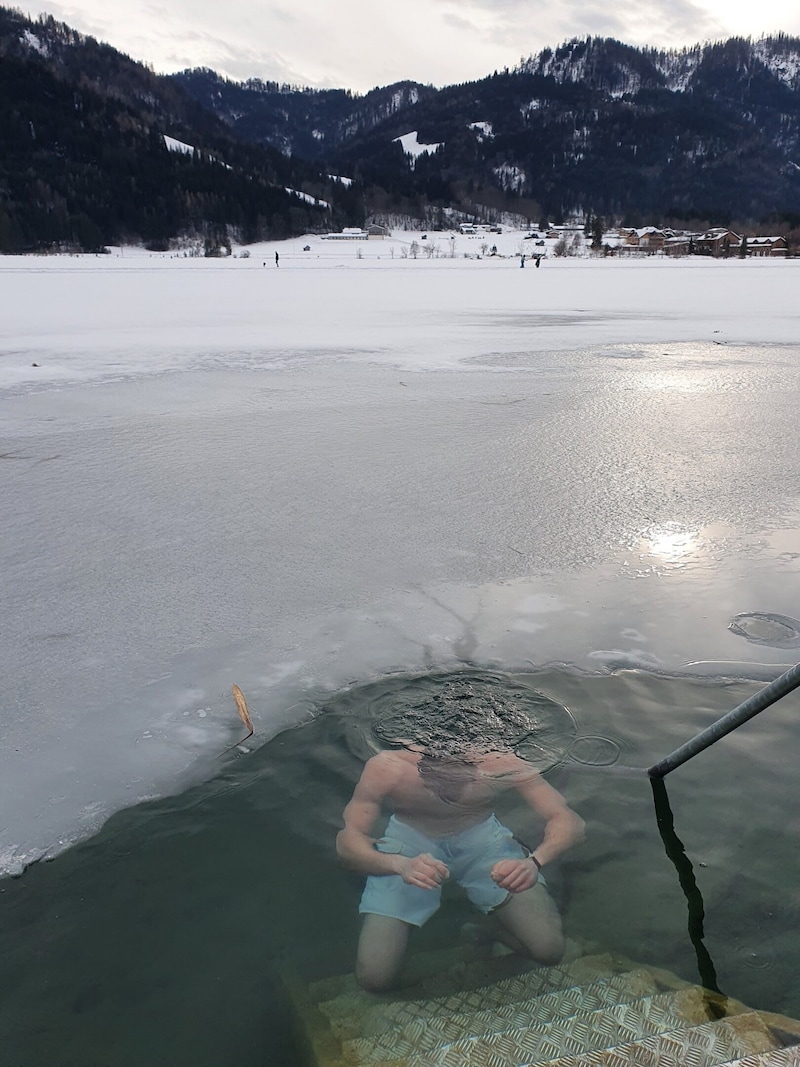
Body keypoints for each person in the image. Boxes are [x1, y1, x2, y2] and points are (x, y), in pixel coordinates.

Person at [337, 743, 585, 991]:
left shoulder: (500, 763)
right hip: (410, 842)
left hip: (481, 839)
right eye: (437, 778)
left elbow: (568, 820)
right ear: (422, 761)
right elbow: (348, 844)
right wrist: (398, 864)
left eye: (458, 779)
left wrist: (534, 861)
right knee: (374, 978)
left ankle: (488, 930)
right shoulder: (389, 767)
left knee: (549, 950)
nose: (447, 788)